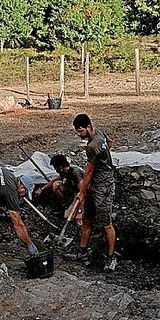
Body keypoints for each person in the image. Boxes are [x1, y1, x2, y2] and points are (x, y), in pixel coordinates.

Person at [63, 114, 118, 272]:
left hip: (103, 187)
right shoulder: (99, 132)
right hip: (96, 185)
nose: (79, 135)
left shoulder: (92, 146)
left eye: (80, 131)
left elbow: (88, 172)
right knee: (87, 220)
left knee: (106, 224)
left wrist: (81, 191)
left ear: (87, 127)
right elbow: (110, 143)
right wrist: (105, 161)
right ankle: (82, 250)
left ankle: (110, 257)